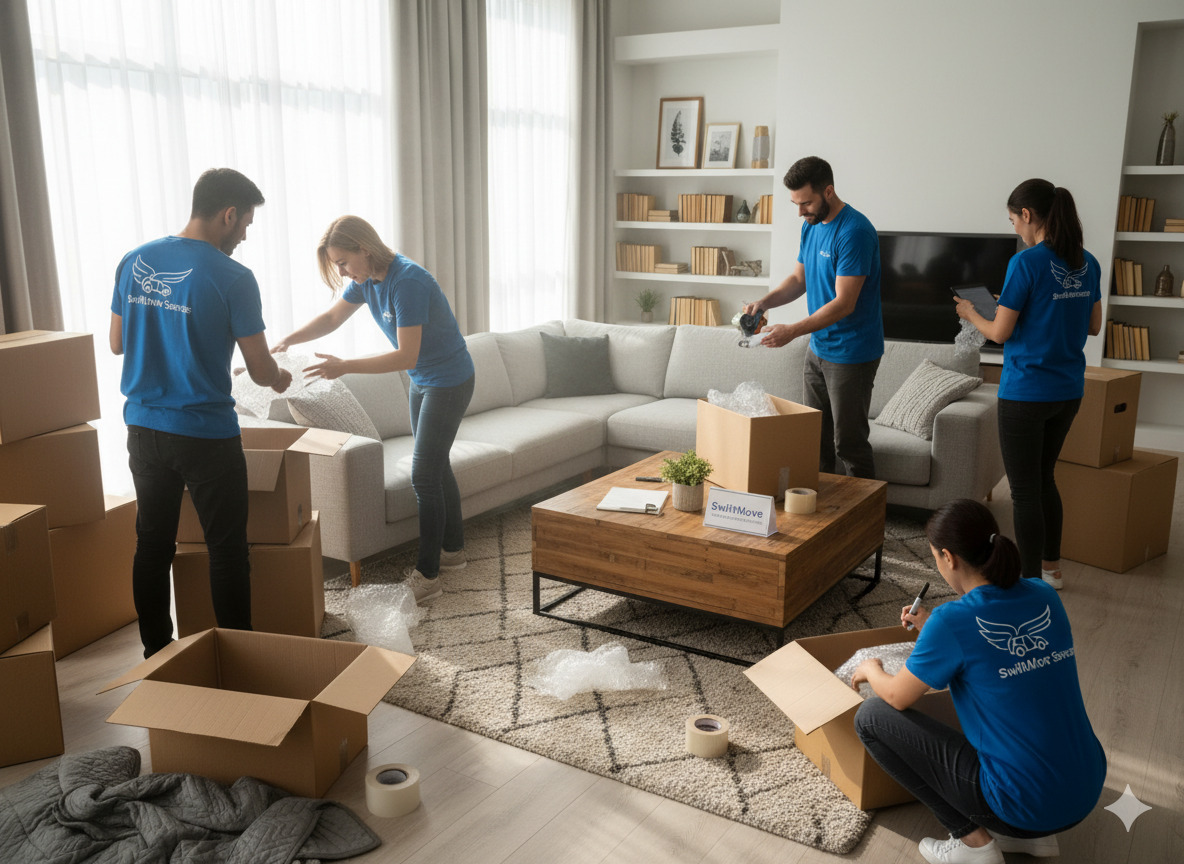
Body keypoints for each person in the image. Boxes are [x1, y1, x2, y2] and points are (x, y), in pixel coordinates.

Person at [851, 499, 1105, 864]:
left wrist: (870, 668)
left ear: (948, 558)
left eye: (935, 558)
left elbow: (895, 696)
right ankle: (1037, 839)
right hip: (1084, 789)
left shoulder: (953, 622)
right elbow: (993, 654)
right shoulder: (1044, 595)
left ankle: (975, 846)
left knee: (871, 717)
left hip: (1024, 804)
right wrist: (931, 627)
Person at [110, 167, 292, 658]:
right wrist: (279, 376)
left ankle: (157, 654)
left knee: (152, 544)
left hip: (144, 427)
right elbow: (258, 370)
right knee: (227, 550)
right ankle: (239, 658)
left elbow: (115, 343)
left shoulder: (135, 259)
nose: (246, 236)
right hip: (206, 435)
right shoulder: (234, 277)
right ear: (228, 215)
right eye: (247, 223)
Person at [273, 215, 474, 603]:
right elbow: (332, 318)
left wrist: (344, 366)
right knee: (436, 465)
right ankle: (454, 552)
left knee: (423, 475)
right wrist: (287, 340)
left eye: (343, 262)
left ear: (364, 250)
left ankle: (428, 576)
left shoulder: (408, 282)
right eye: (337, 266)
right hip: (423, 380)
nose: (343, 272)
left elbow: (405, 354)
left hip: (449, 381)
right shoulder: (366, 281)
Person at [955, 179, 1102, 590]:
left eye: (1013, 221)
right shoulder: (1089, 261)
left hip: (1025, 392)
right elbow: (1093, 325)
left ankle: (1030, 581)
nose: (1014, 230)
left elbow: (999, 334)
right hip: (1068, 390)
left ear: (1028, 215)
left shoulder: (1026, 262)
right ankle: (1052, 570)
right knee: (1044, 479)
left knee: (1022, 492)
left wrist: (971, 312)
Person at [742, 156, 883, 479]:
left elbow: (845, 303)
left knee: (849, 445)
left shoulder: (855, 232)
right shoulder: (811, 227)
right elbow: (798, 281)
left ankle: (863, 524)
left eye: (805, 203)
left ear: (828, 191)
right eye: (796, 204)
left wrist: (792, 331)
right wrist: (764, 303)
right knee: (813, 441)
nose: (800, 212)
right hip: (818, 350)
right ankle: (820, 520)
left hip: (852, 354)